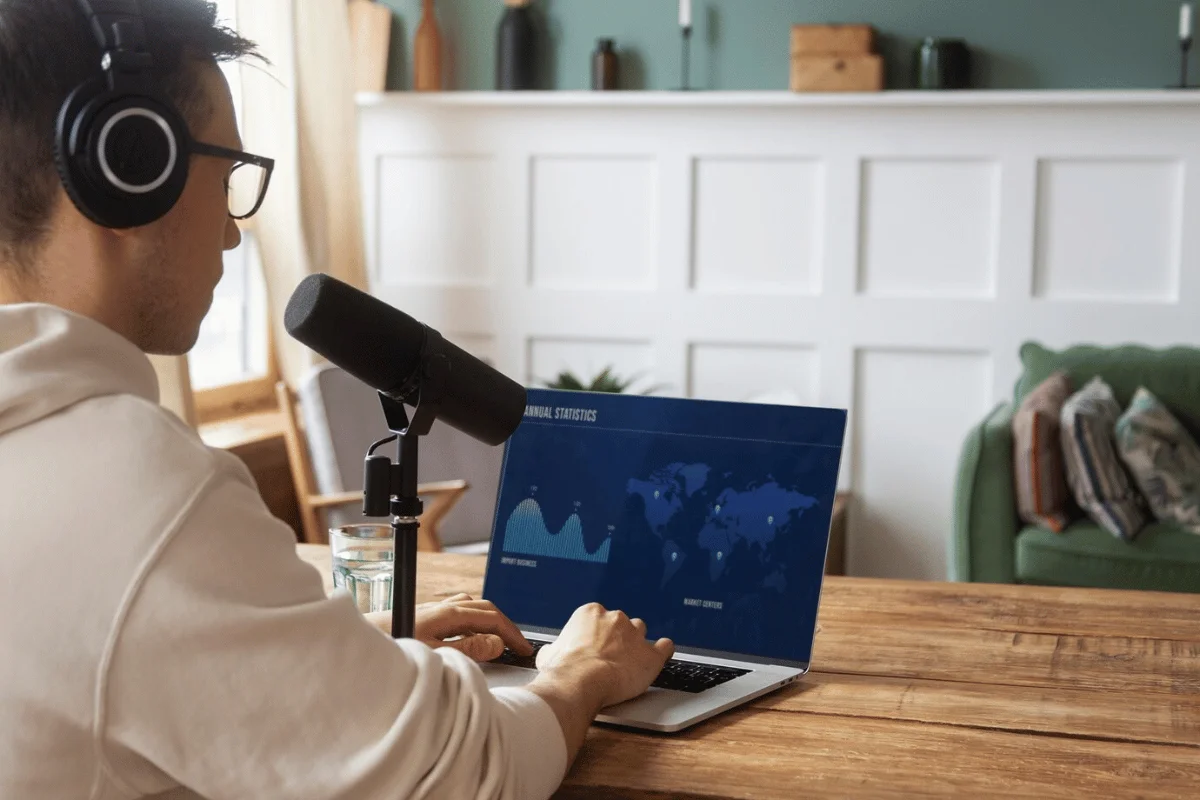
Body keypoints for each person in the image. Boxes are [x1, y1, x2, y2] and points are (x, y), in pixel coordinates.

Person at [0, 1, 674, 798]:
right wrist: (581, 674)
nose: (230, 234)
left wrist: (341, 662)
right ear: (129, 168)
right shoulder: (136, 492)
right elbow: (465, 776)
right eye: (229, 178)